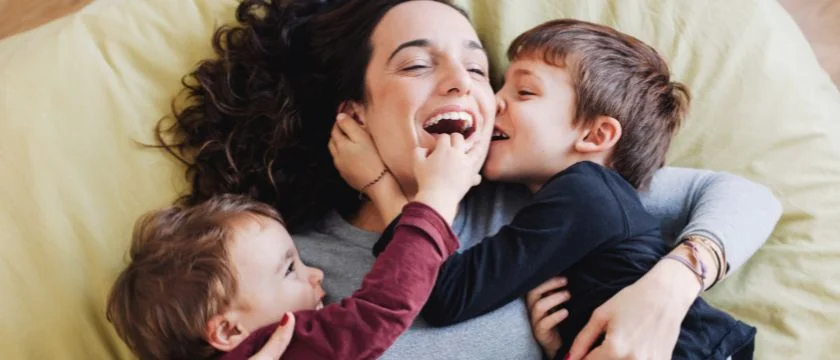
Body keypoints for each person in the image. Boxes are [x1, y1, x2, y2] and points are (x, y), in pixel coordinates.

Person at [158, 0, 782, 358]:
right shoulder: (290, 267)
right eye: (418, 65)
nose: (464, 83)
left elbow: (744, 197)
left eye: (479, 69)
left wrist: (672, 286)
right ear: (354, 114)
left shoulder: (538, 188)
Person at [342, 19, 757, 359]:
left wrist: (381, 185)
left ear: (595, 136)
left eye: (524, 92)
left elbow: (445, 293)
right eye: (498, 85)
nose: (494, 102)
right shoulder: (579, 201)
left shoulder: (587, 193)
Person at [105, 181, 472, 359]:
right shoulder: (285, 345)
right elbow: (382, 307)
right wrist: (431, 209)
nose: (317, 274)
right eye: (289, 270)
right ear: (229, 330)